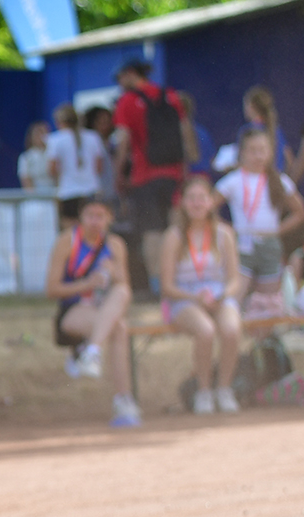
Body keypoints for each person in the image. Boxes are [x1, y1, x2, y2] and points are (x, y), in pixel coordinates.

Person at [43, 199, 142, 427]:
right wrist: (87, 283)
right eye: (90, 215)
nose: (95, 221)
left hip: (105, 308)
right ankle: (123, 398)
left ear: (110, 219)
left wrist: (114, 273)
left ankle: (93, 352)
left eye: (100, 216)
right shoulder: (67, 242)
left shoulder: (115, 245)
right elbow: (51, 289)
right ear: (81, 218)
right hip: (75, 309)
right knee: (118, 329)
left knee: (121, 303)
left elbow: (124, 291)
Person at [159, 177, 245, 415]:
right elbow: (166, 286)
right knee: (205, 330)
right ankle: (204, 390)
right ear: (183, 203)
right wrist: (195, 298)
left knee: (231, 329)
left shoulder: (224, 234)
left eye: (202, 198)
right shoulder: (174, 236)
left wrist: (223, 294)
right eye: (191, 198)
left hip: (217, 295)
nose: (197, 203)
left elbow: (234, 279)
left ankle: (224, 388)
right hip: (184, 297)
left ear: (211, 202)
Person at [113, 60, 190, 292]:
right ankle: (182, 279)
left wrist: (118, 173)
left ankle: (159, 285)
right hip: (174, 175)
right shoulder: (171, 96)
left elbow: (123, 140)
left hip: (144, 177)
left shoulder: (127, 101)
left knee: (151, 232)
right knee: (177, 228)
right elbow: (185, 133)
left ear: (129, 74)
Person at [215, 129, 304, 315]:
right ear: (241, 152)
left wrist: (277, 231)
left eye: (262, 150)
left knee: (268, 302)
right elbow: (209, 209)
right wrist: (229, 230)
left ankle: (263, 341)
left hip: (270, 245)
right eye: (252, 150)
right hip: (242, 244)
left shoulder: (279, 180)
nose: (258, 155)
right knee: (236, 294)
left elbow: (300, 212)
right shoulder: (232, 180)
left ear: (270, 151)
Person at [48, 103, 108, 231]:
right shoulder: (93, 137)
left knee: (70, 232)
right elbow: (99, 167)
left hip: (68, 192)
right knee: (93, 230)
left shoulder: (55, 139)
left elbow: (52, 169)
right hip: (92, 190)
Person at [19, 121, 55, 192]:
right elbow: (26, 179)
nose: (40, 137)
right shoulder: (26, 157)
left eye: (43, 133)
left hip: (53, 193)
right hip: (36, 196)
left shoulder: (53, 154)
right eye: (37, 134)